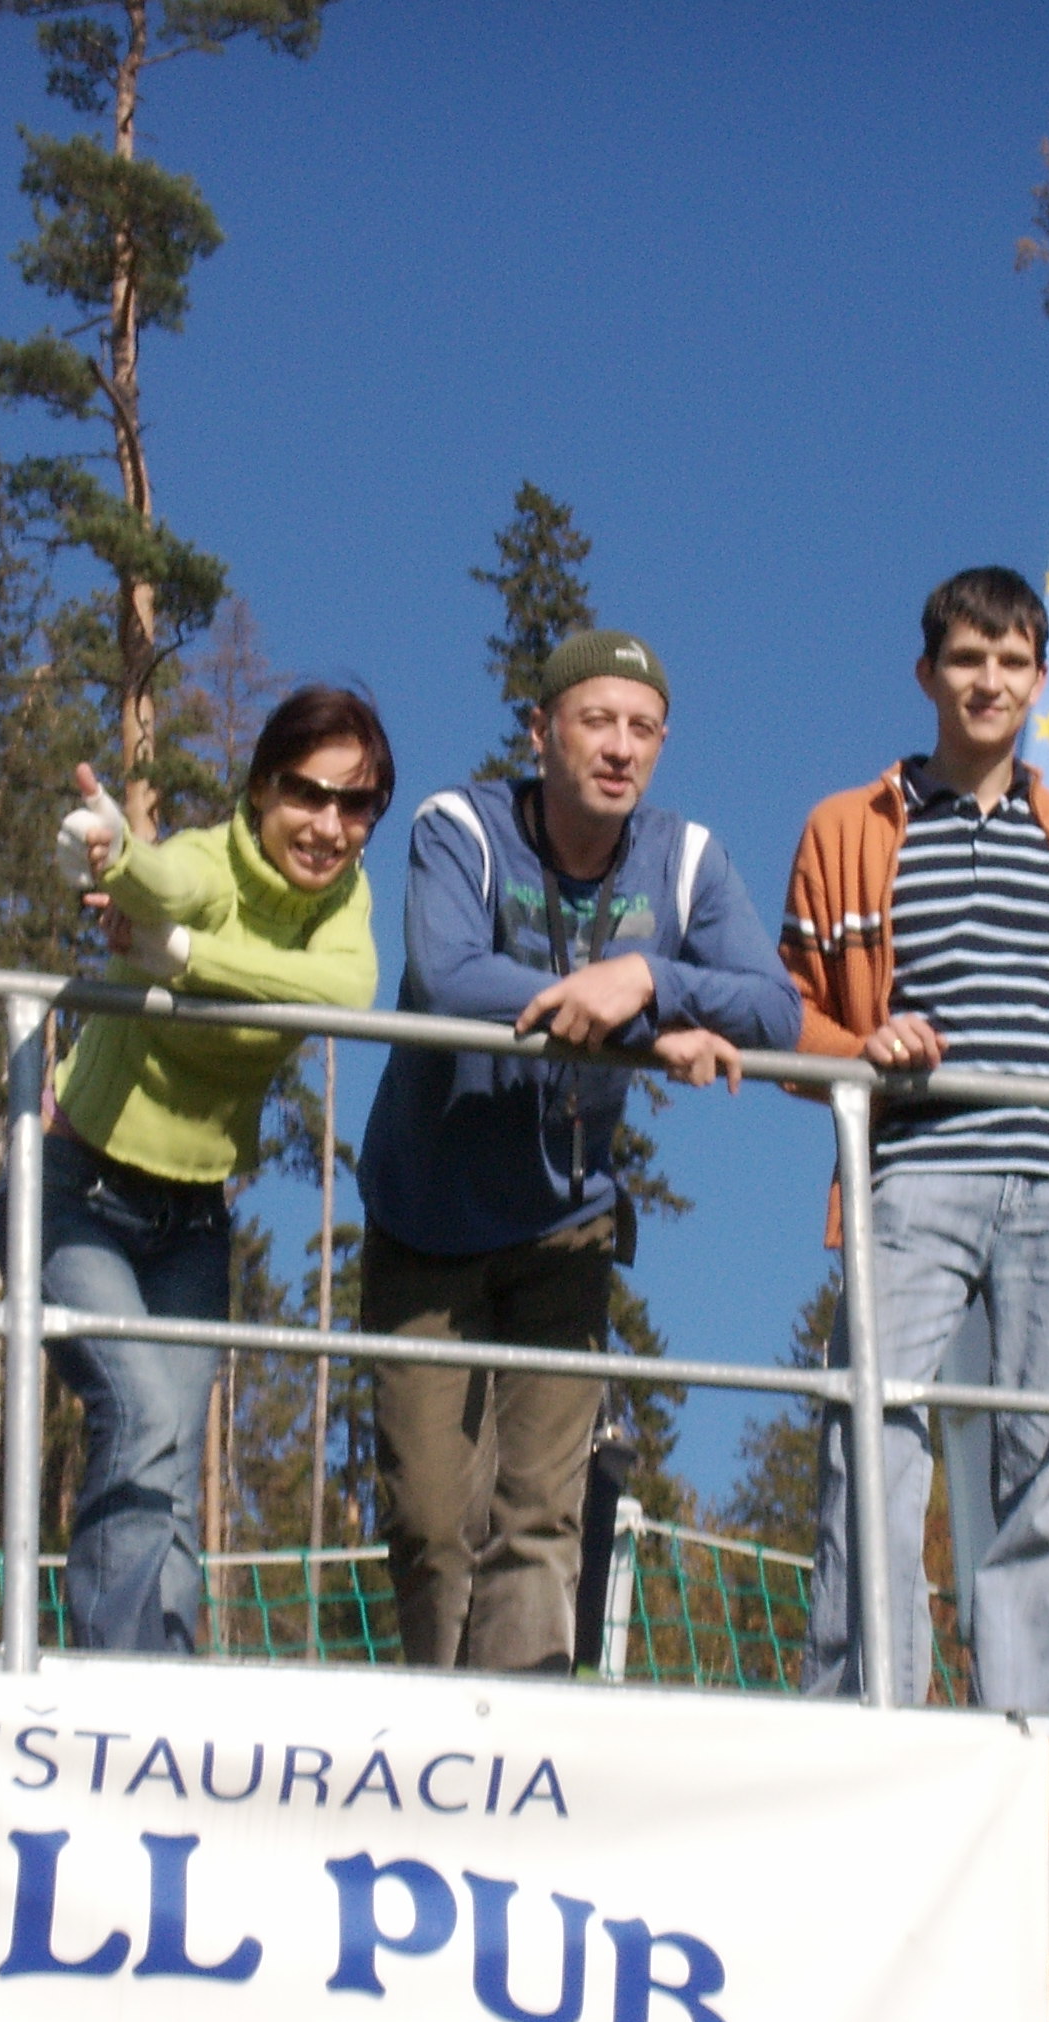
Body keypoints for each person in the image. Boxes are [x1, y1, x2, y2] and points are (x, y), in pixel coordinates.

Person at [356, 629, 799, 1674]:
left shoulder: (686, 860)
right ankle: (440, 1728)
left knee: (541, 1519)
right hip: (426, 1224)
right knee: (430, 1522)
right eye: (596, 721)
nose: (619, 748)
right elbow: (449, 976)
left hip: (567, 1231)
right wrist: (641, 1029)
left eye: (643, 728)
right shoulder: (459, 827)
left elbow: (776, 1009)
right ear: (540, 731)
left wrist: (647, 978)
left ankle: (522, 1737)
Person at [783, 566, 1049, 1710]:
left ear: (1039, 681)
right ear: (926, 674)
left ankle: (1015, 1728)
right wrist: (862, 1046)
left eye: (1010, 662)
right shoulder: (848, 827)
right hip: (916, 1169)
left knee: (1045, 1456)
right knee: (872, 1430)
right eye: (966, 659)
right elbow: (786, 1013)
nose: (988, 682)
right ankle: (871, 1713)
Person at [37, 686, 387, 1654]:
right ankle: (115, 1682)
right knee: (141, 1417)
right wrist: (116, 853)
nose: (327, 827)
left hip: (190, 1220)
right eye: (305, 794)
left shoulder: (343, 906)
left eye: (354, 805)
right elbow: (166, 883)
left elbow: (346, 989)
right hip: (76, 1192)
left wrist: (184, 958)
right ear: (260, 789)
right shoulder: (210, 861)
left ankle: (169, 1680)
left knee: (177, 1472)